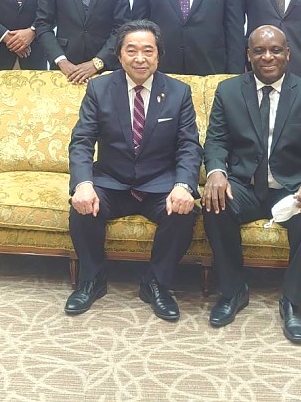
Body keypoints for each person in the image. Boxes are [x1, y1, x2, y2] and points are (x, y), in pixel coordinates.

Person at [202, 26, 301, 344]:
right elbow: (216, 141)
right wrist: (216, 172)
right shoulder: (229, 91)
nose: (267, 57)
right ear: (248, 55)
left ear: (288, 54)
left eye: (275, 50)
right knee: (214, 203)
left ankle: (292, 300)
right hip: (244, 185)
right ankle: (233, 290)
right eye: (259, 51)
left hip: (291, 186)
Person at [65, 20, 202, 321]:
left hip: (159, 183)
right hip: (111, 181)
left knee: (184, 211)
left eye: (148, 51)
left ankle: (156, 283)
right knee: (82, 206)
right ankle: (91, 279)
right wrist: (83, 184)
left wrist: (183, 186)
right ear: (119, 54)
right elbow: (82, 140)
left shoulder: (178, 92)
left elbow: (189, 146)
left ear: (159, 55)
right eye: (132, 50)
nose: (140, 58)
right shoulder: (99, 88)